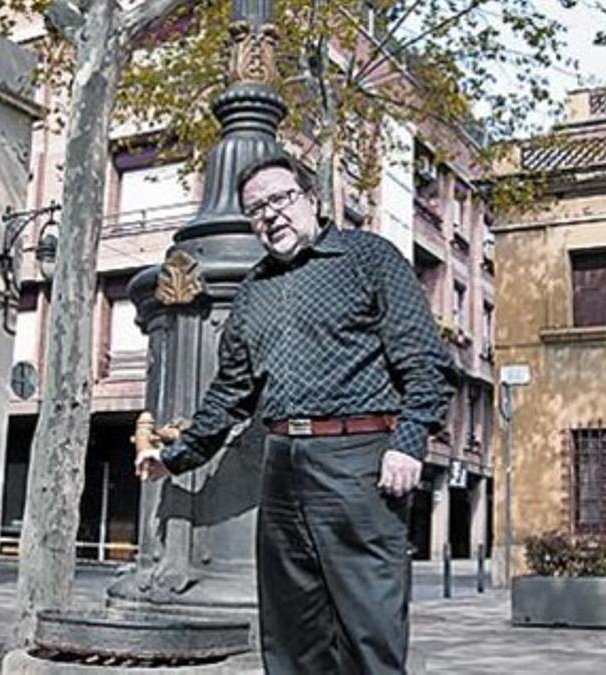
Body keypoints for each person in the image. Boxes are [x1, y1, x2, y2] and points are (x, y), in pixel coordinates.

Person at [136, 151, 454, 674]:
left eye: (280, 199)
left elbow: (424, 359)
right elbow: (230, 391)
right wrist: (178, 456)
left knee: (368, 630)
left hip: (360, 462)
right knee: (289, 635)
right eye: (255, 209)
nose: (269, 215)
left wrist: (411, 438)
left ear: (311, 199)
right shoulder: (254, 291)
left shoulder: (368, 257)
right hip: (282, 465)